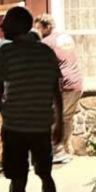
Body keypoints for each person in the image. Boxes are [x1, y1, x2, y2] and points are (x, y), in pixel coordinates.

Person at [0, 6, 65, 192]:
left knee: (18, 182)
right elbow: (56, 91)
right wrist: (60, 123)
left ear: (18, 25)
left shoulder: (6, 53)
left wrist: (2, 108)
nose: (2, 28)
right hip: (41, 126)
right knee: (46, 175)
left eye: (6, 23)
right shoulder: (46, 53)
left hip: (15, 129)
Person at [33, 14, 84, 163]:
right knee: (65, 117)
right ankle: (65, 150)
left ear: (47, 27)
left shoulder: (47, 42)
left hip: (65, 83)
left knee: (58, 118)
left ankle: (58, 151)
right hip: (76, 82)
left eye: (38, 28)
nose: (36, 31)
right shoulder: (64, 37)